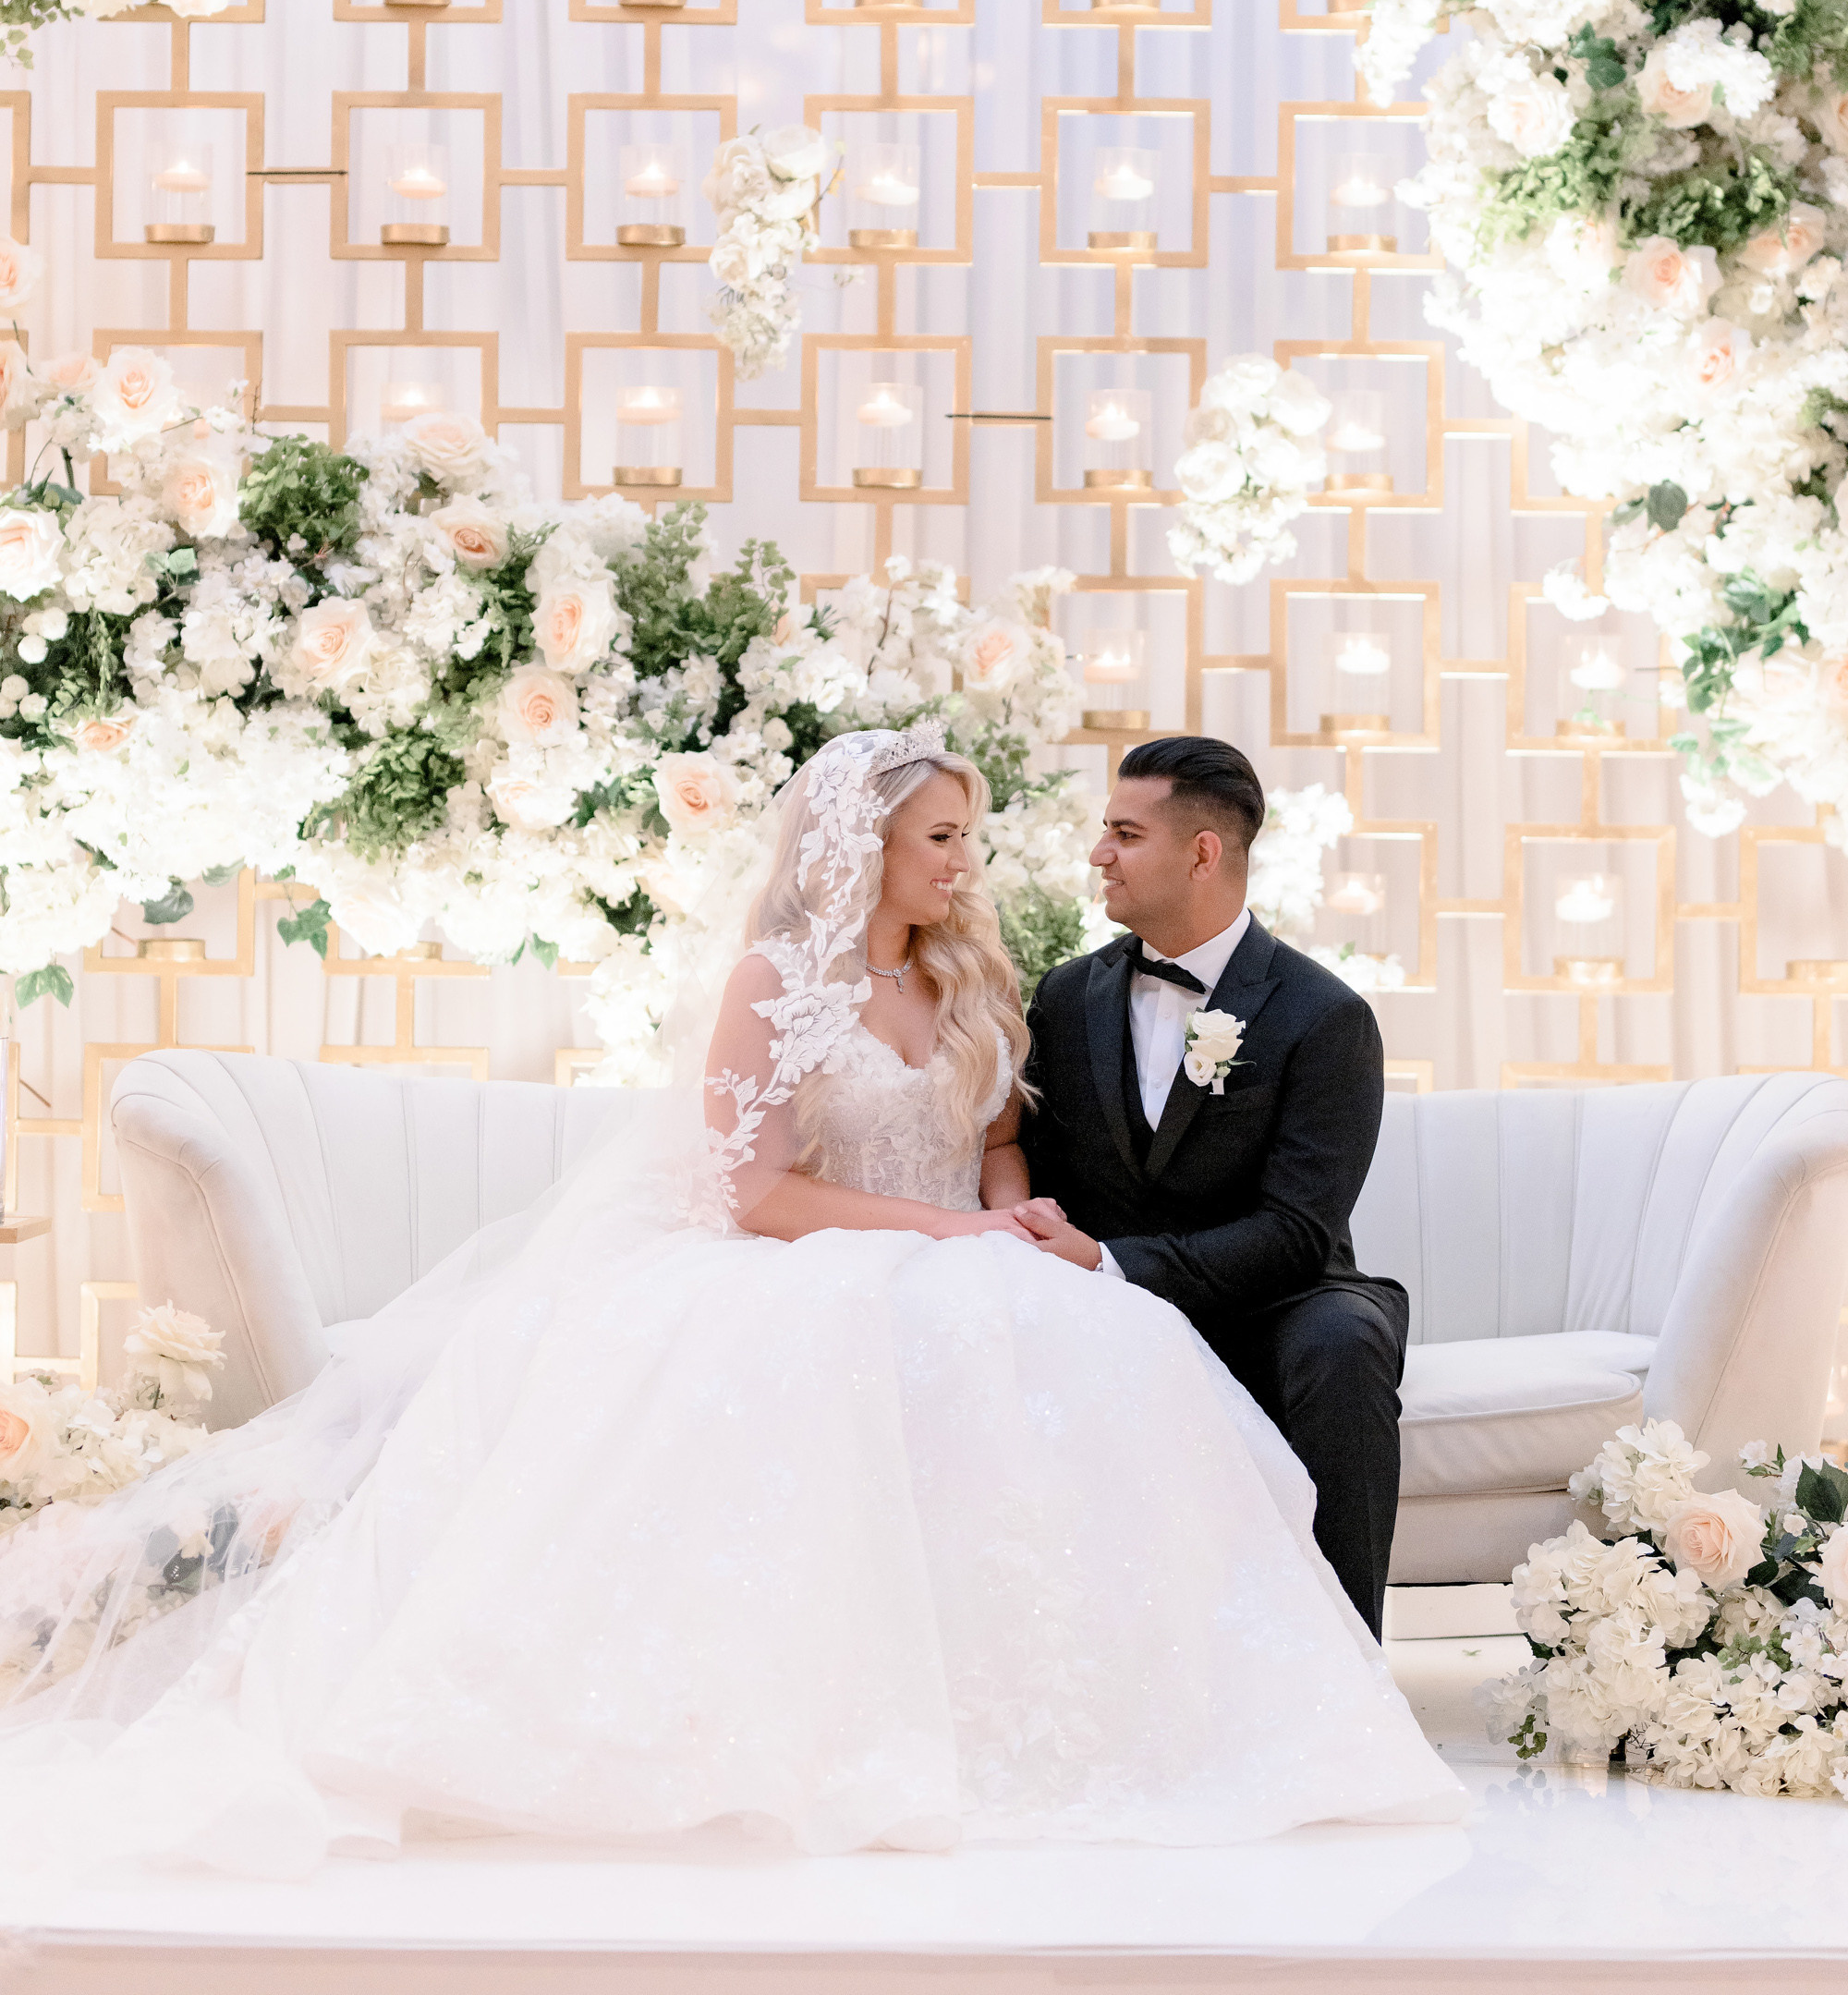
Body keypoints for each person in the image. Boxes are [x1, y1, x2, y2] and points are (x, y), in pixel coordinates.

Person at [0, 724, 1458, 1877]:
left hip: (1012, 1255)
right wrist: (956, 1233)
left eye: (976, 836)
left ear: (1204, 851)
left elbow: (1008, 1135)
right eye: (944, 839)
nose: (983, 862)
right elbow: (754, 1194)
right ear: (865, 847)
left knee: (1097, 1350)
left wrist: (1012, 1214)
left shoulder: (1005, 985)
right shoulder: (784, 983)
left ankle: (1185, 1706)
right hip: (808, 1253)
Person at [1017, 736, 1404, 1638]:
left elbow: (1298, 1234)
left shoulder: (1324, 1018)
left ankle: (1345, 1666)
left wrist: (1112, 1261)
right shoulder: (1066, 997)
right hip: (1100, 1299)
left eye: (1122, 833)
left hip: (1276, 1298)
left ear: (1201, 852)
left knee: (1343, 1344)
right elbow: (1032, 1164)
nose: (1096, 855)